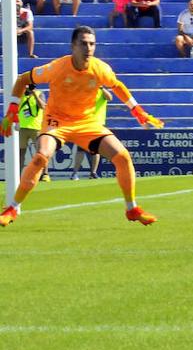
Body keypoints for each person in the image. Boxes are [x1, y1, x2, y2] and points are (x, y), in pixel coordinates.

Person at [0, 26, 162, 227]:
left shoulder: (100, 68)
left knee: (122, 156)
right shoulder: (57, 68)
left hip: (87, 123)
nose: (89, 48)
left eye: (92, 44)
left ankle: (132, 209)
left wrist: (137, 110)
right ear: (73, 46)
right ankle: (12, 208)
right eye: (83, 43)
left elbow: (117, 86)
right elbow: (23, 79)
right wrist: (12, 109)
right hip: (57, 121)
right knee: (41, 156)